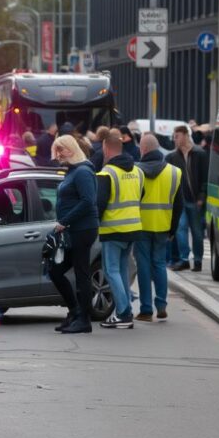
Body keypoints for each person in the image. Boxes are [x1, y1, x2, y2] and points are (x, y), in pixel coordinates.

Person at [48, 135, 99, 335]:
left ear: (72, 149)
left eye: (62, 150)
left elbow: (88, 201)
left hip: (82, 229)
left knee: (81, 274)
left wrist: (64, 221)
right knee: (55, 270)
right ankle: (75, 312)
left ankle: (84, 320)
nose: (58, 155)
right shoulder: (73, 171)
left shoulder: (83, 172)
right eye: (57, 150)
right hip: (72, 230)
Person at [96, 130, 144, 329]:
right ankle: (126, 312)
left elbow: (99, 204)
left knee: (111, 270)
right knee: (122, 270)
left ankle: (123, 313)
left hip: (113, 229)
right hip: (133, 227)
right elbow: (141, 195)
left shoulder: (107, 173)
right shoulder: (137, 171)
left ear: (106, 149)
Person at [133, 134, 183, 323]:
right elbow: (179, 206)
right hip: (163, 226)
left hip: (140, 226)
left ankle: (146, 310)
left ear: (144, 149)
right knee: (159, 264)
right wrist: (173, 230)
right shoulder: (174, 172)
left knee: (143, 266)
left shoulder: (136, 171)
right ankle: (161, 305)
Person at [166, 125, 208, 272]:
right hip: (180, 200)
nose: (174, 139)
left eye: (176, 136)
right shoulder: (172, 156)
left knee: (197, 232)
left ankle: (197, 260)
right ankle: (184, 259)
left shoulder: (199, 154)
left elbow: (205, 178)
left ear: (185, 135)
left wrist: (202, 197)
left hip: (196, 200)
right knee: (180, 229)